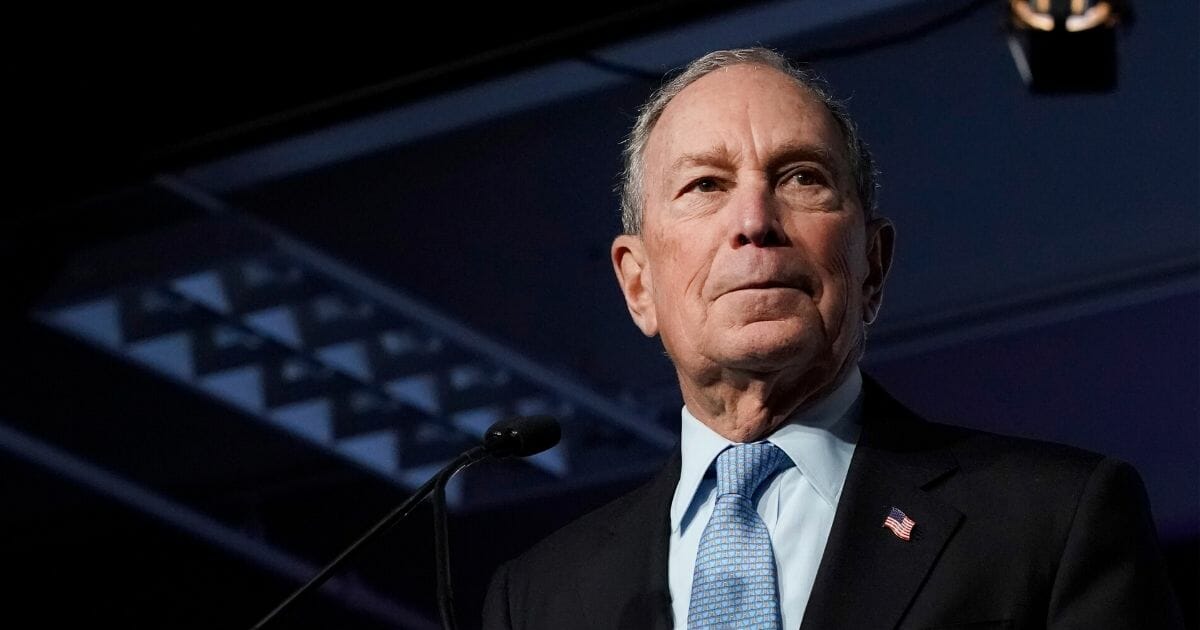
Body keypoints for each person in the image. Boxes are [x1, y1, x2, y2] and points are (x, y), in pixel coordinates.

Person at [481, 47, 1182, 630]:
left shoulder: (1054, 522)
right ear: (639, 286)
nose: (754, 220)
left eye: (801, 178)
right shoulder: (538, 597)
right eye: (704, 185)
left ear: (872, 264)